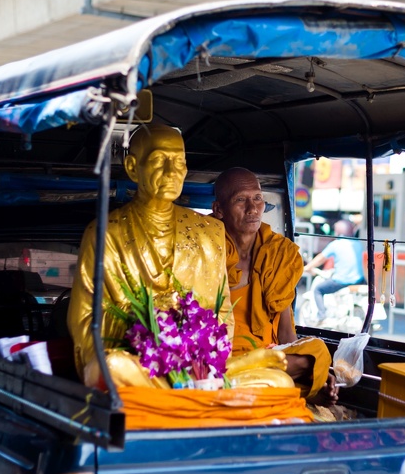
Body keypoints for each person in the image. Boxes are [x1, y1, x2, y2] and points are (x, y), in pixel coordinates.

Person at [67, 124, 232, 389]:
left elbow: (223, 313)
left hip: (200, 372)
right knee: (111, 367)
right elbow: (85, 321)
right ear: (133, 167)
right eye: (159, 161)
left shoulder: (210, 233)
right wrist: (150, 323)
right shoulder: (106, 233)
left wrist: (201, 355)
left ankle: (192, 392)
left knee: (277, 380)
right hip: (139, 369)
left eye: (179, 161)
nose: (172, 172)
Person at [212, 167, 337, 405]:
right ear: (219, 209)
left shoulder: (279, 254)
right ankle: (297, 381)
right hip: (224, 360)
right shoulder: (205, 248)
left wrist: (308, 363)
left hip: (269, 357)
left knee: (317, 350)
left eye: (257, 198)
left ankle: (296, 378)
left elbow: (286, 334)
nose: (253, 209)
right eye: (241, 200)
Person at [303, 219, 366, 324]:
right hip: (359, 280)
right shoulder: (358, 244)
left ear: (338, 231)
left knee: (318, 290)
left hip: (342, 282)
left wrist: (307, 267)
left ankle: (321, 315)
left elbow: (320, 259)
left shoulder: (336, 244)